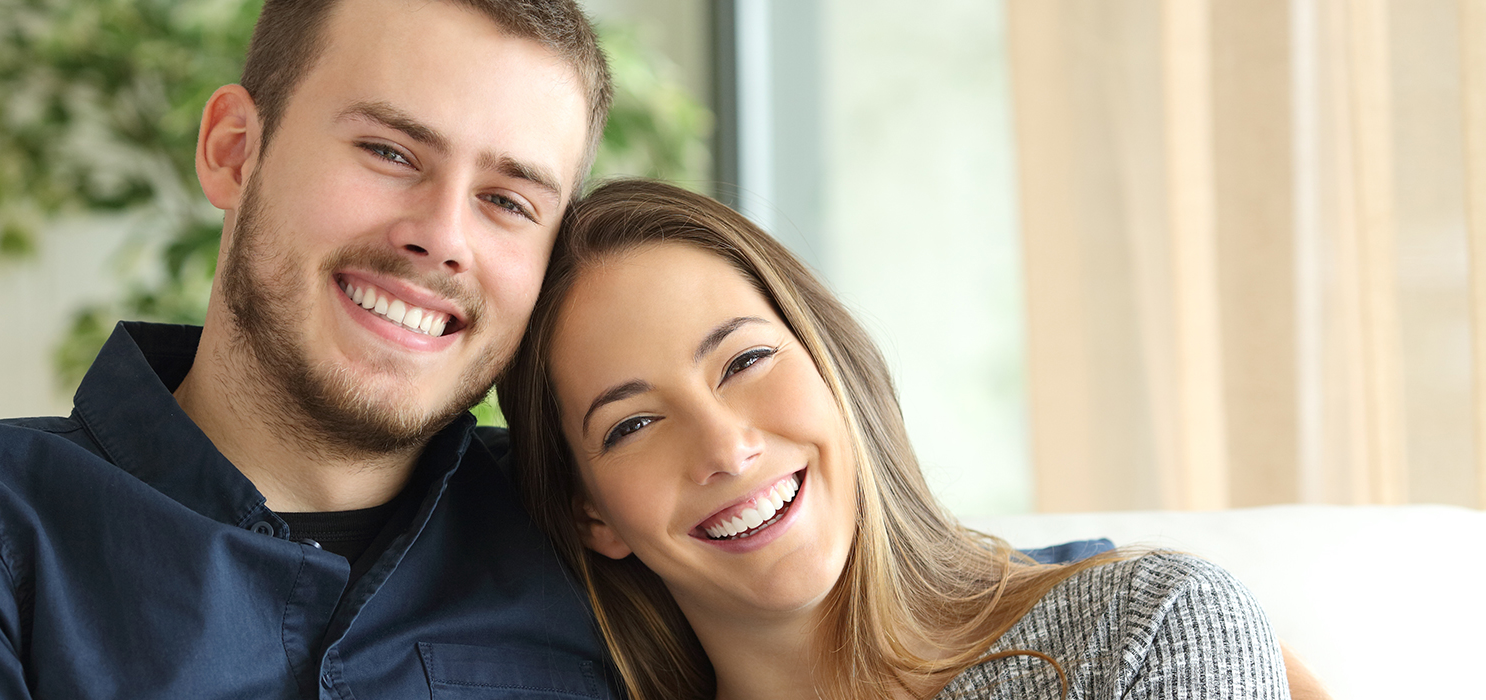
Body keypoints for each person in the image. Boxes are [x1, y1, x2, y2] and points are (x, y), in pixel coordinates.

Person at [0, 1, 620, 697]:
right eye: (390, 151)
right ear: (232, 153)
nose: (442, 237)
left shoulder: (604, 538)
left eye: (509, 202)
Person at [498, 179, 1295, 699]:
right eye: (633, 425)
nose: (725, 449)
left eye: (744, 360)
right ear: (589, 514)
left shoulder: (1141, 628)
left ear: (832, 369)